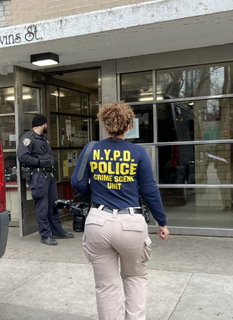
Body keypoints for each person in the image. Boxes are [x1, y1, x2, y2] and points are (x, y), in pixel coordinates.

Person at [71, 102, 169, 320]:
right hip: (130, 223)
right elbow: (150, 191)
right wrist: (161, 222)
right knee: (134, 278)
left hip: (98, 221)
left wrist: (95, 192)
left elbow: (77, 183)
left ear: (106, 125)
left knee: (106, 286)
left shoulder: (91, 148)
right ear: (128, 126)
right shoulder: (138, 152)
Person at [17, 114, 74, 246]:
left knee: (53, 205)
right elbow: (22, 157)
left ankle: (57, 231)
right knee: (42, 206)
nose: (47, 126)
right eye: (46, 124)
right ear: (43, 124)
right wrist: (40, 162)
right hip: (38, 176)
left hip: (48, 176)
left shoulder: (43, 138)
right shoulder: (28, 138)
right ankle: (45, 235)